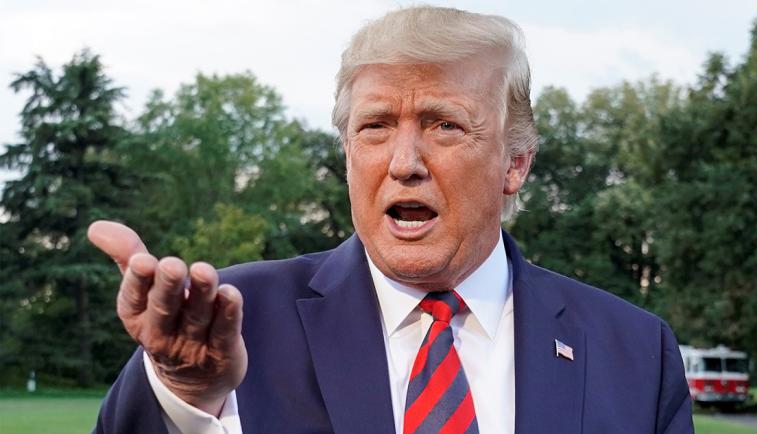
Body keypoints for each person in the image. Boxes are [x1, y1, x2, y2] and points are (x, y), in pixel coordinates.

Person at [90, 6, 694, 434]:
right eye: (374, 126)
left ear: (515, 163)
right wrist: (185, 397)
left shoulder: (635, 351)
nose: (404, 163)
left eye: (444, 125)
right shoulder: (229, 318)